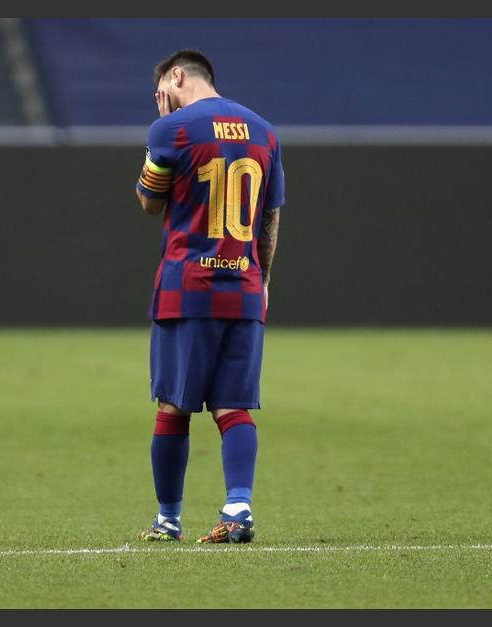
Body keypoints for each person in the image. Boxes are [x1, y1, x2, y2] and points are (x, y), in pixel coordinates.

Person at [133, 49, 284, 544]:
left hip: (187, 288)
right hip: (243, 288)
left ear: (176, 76)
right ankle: (238, 508)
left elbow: (148, 203)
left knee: (172, 407)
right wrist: (262, 279)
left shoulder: (171, 128)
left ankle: (168, 519)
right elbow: (270, 214)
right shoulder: (264, 130)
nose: (163, 99)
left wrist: (160, 128)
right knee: (233, 406)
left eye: (162, 89)